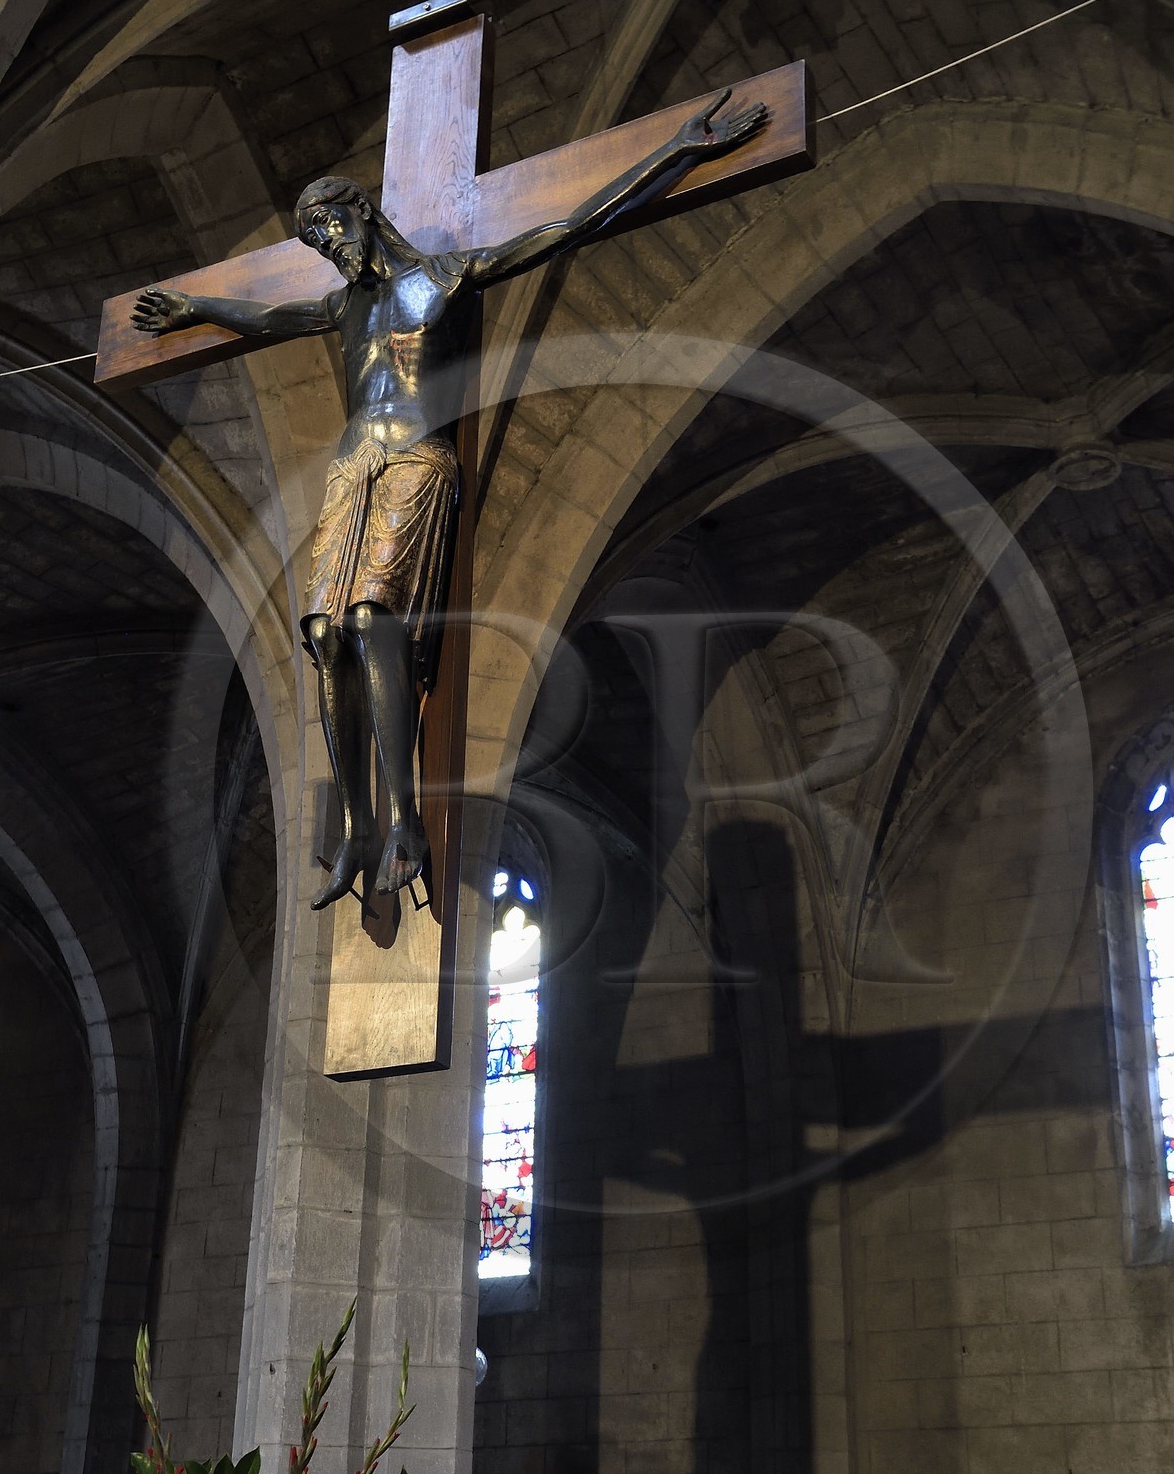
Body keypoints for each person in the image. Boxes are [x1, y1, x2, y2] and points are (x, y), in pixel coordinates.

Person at [133, 87, 767, 906]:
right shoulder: (342, 306)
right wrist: (193, 308)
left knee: (372, 617)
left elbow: (568, 225)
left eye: (329, 226)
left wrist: (676, 151)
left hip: (417, 460)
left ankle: (405, 820)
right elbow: (257, 320)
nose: (327, 246)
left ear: (360, 211)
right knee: (323, 633)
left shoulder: (446, 276)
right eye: (314, 239)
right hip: (352, 468)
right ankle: (357, 826)